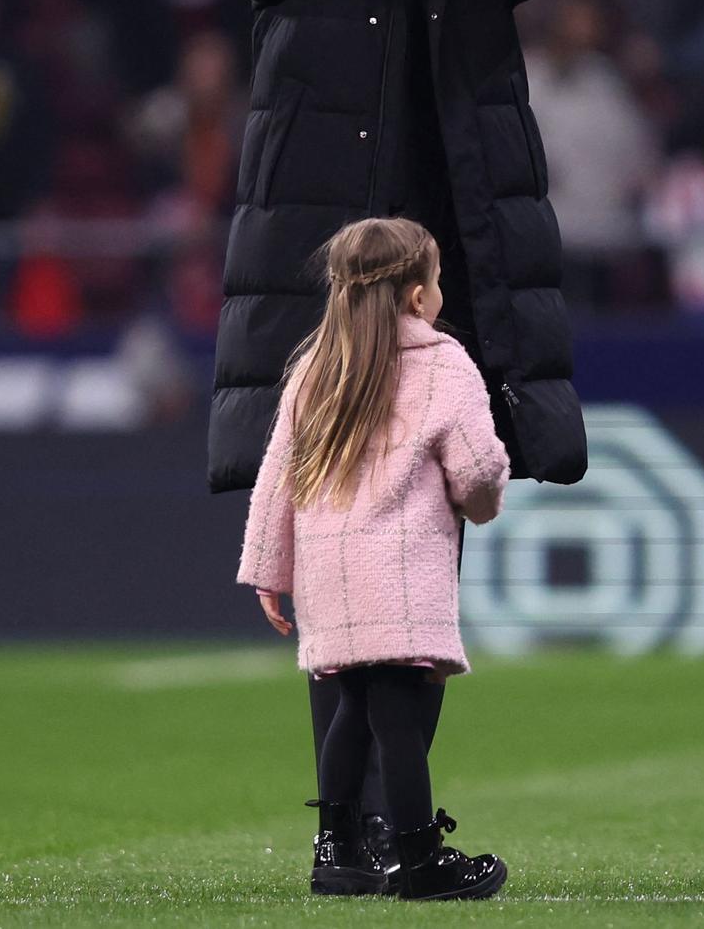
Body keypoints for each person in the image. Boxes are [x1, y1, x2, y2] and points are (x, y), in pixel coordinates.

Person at [211, 0, 603, 873]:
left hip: (451, 302)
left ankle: (369, 830)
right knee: (346, 582)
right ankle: (367, 832)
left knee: (409, 573)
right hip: (318, 310)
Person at [238, 217, 510, 901]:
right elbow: (477, 469)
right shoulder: (442, 362)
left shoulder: (313, 367)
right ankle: (420, 856)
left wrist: (269, 569)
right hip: (399, 570)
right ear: (417, 296)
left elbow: (277, 476)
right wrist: (481, 503)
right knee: (397, 718)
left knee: (352, 709)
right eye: (438, 278)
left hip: (329, 577)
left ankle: (337, 849)